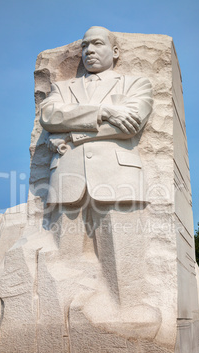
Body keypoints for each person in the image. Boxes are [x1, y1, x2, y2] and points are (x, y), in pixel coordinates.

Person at [39, 26, 160, 326]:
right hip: (67, 181)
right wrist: (104, 112)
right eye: (85, 46)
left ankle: (130, 316)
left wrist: (75, 133)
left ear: (115, 51)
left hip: (117, 178)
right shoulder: (63, 89)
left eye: (97, 44)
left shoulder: (136, 84)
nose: (89, 50)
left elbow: (130, 126)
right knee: (62, 260)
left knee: (123, 256)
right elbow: (50, 117)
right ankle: (62, 322)